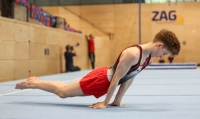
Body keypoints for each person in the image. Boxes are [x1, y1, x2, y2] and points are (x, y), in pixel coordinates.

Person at [15, 29, 181, 109]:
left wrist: (116, 101)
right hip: (102, 80)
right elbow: (116, 78)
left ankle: (35, 82)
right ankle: (33, 83)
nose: (162, 55)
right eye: (164, 52)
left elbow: (129, 78)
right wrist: (104, 102)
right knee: (63, 92)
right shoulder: (133, 54)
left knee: (64, 89)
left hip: (105, 84)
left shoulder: (148, 58)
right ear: (159, 45)